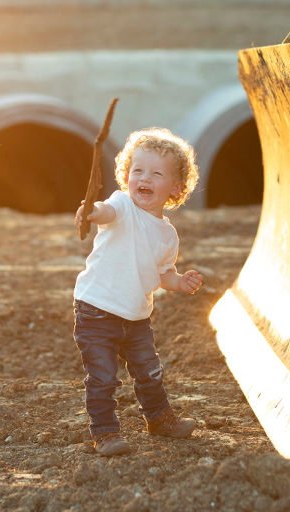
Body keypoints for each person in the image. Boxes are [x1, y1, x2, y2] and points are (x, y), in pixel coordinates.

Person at [73, 127, 203, 457]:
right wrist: (91, 211)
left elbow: (163, 274)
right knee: (102, 377)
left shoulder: (168, 235)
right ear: (126, 175)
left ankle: (159, 419)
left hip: (136, 316)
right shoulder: (121, 206)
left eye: (156, 173)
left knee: (150, 371)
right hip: (96, 309)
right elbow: (105, 211)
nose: (144, 178)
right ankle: (105, 433)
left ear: (175, 188)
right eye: (137, 170)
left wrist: (180, 282)